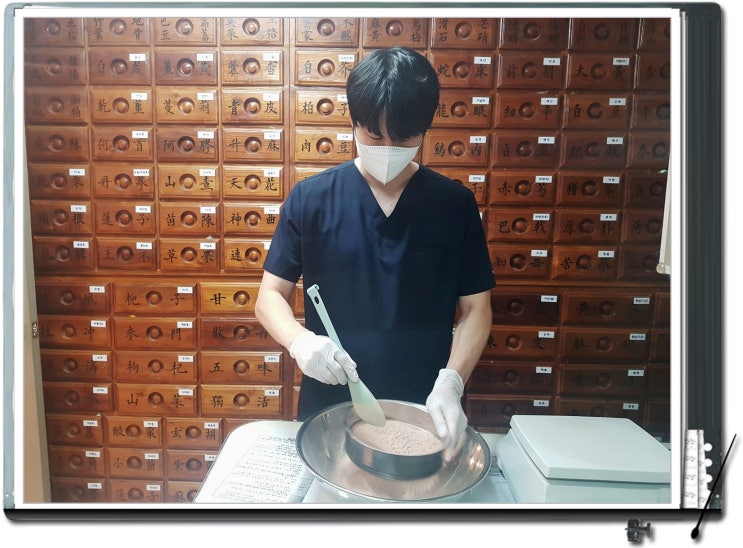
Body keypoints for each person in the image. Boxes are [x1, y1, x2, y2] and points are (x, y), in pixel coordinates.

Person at [255, 47, 495, 449]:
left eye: (402, 138)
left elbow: (476, 309)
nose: (387, 147)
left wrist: (452, 381)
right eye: (374, 135)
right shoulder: (312, 199)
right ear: (354, 122)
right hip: (331, 401)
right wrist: (300, 342)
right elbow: (269, 296)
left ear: (425, 129)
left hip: (426, 407)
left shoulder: (454, 205)